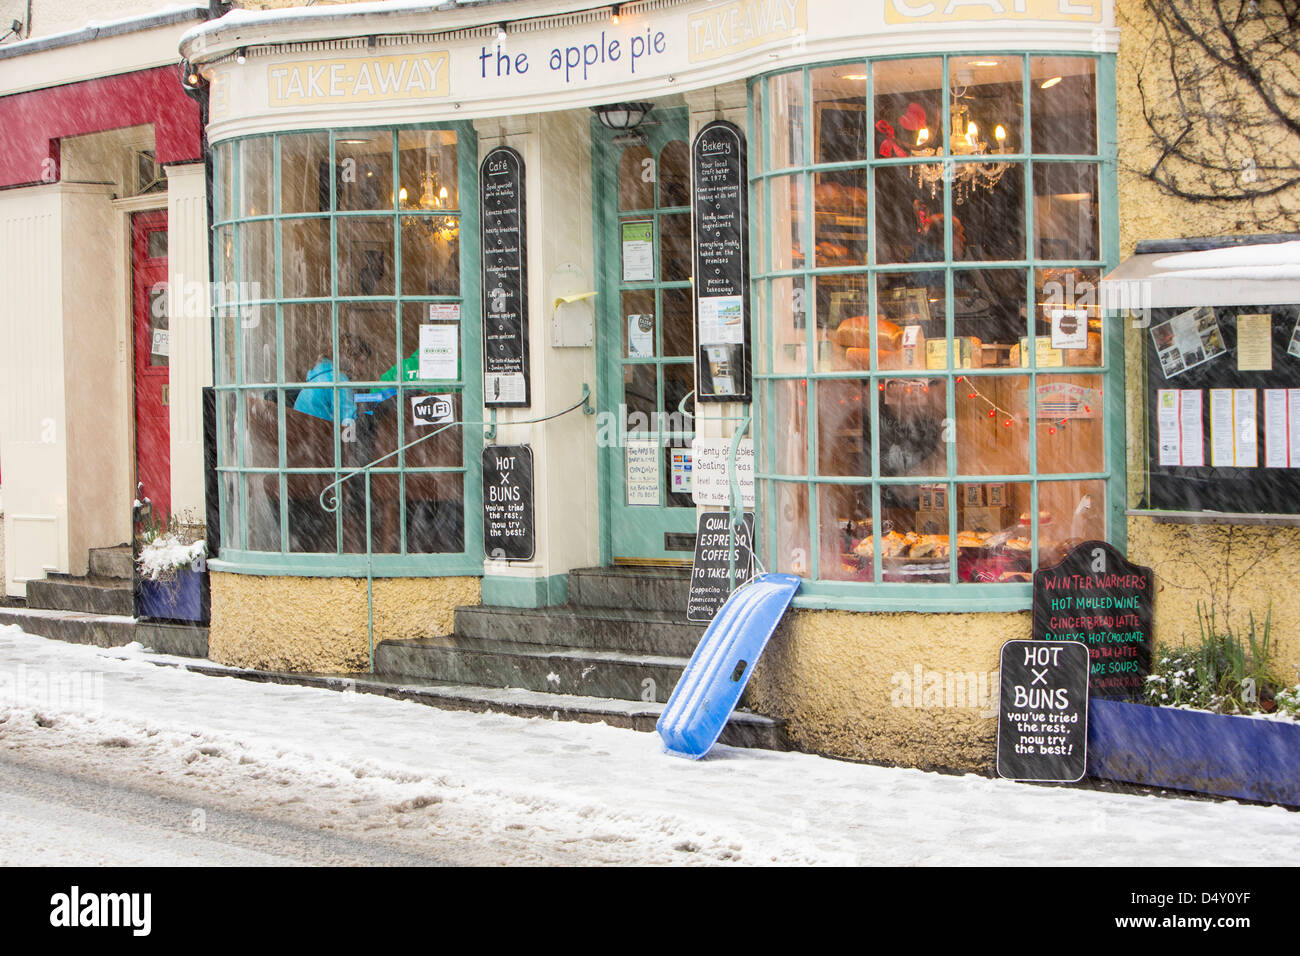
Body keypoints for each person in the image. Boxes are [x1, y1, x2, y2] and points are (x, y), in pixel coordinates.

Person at [293, 332, 372, 423]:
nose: (363, 371)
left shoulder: (320, 376)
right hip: (319, 434)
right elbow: (348, 425)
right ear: (349, 359)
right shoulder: (339, 381)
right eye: (361, 362)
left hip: (304, 433)